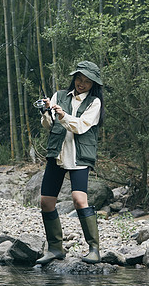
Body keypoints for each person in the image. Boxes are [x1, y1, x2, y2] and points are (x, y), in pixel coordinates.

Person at [35, 60, 105, 266]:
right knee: (46, 202)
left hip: (79, 155)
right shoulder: (58, 96)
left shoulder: (95, 103)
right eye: (78, 79)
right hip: (57, 153)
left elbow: (81, 126)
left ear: (93, 85)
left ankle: (94, 249)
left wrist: (64, 115)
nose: (81, 84)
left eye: (86, 82)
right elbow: (49, 125)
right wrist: (47, 112)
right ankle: (55, 248)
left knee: (79, 200)